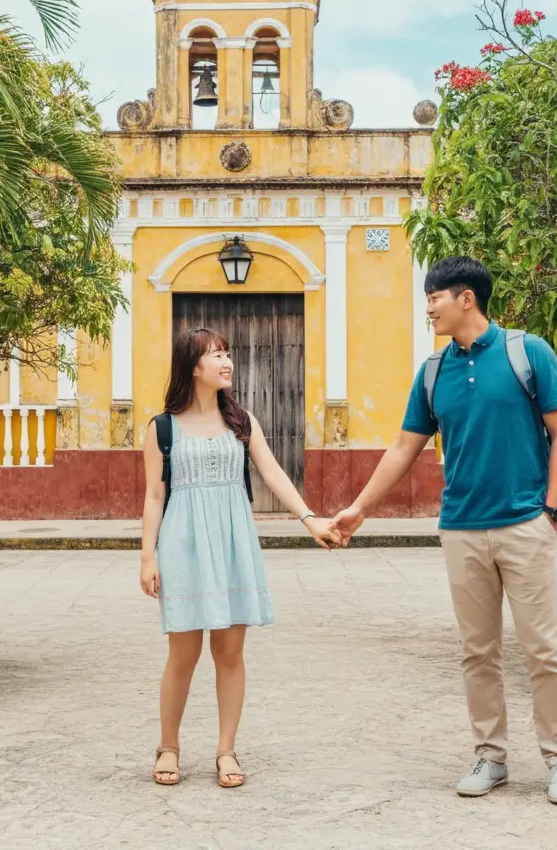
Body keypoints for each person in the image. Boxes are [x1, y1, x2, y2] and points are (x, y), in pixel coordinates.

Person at [333, 256, 557, 806]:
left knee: (545, 650)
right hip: (462, 530)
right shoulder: (432, 372)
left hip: (525, 525)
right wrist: (359, 510)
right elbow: (404, 448)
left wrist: (552, 513)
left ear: (466, 298)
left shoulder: (528, 352)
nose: (429, 308)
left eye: (435, 298)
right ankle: (490, 757)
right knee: (477, 652)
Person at [141, 327, 340, 789]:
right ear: (193, 367)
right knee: (183, 655)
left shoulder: (242, 422)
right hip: (184, 544)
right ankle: (168, 745)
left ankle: (226, 750)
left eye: (227, 354)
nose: (227, 362)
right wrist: (147, 557)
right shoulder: (162, 427)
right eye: (216, 355)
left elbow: (272, 472)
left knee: (230, 654)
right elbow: (154, 495)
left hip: (233, 543)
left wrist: (310, 519)